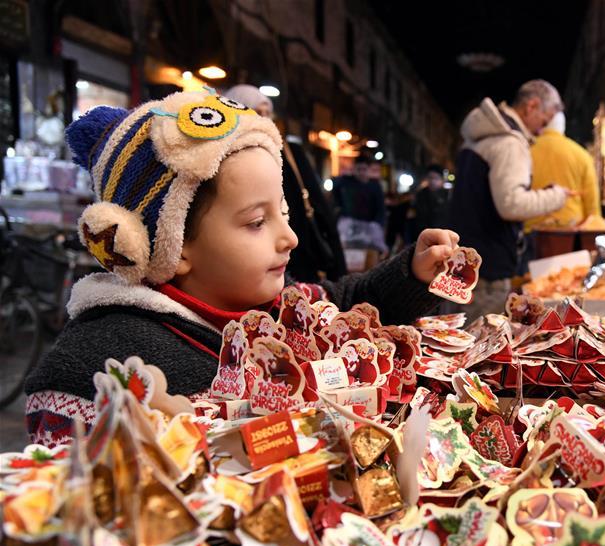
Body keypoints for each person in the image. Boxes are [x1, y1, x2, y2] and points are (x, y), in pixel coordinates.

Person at [24, 90, 457, 446]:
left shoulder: (270, 307)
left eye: (284, 212)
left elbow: (344, 303)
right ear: (169, 246)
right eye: (256, 222)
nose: (290, 238)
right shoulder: (95, 365)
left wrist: (413, 272)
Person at [449, 79, 571, 318]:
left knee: (461, 331)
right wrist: (556, 196)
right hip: (488, 266)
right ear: (532, 106)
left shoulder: (482, 138)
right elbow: (511, 205)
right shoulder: (509, 142)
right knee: (479, 340)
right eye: (544, 121)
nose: (541, 130)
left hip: (466, 260)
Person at [224, 84, 346, 282]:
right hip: (255, 267)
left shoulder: (291, 152)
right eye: (256, 111)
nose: (264, 118)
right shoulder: (227, 160)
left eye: (267, 112)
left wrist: (340, 272)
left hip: (302, 257)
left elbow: (321, 208)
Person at [527, 111, 603, 232]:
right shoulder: (581, 154)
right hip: (571, 234)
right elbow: (593, 211)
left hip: (531, 232)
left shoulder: (526, 150)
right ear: (562, 126)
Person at [333, 153, 388, 253]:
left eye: (364, 169)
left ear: (369, 170)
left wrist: (378, 224)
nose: (361, 172)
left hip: (370, 226)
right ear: (354, 169)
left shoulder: (375, 185)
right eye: (359, 169)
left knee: (371, 255)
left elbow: (381, 208)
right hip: (349, 225)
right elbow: (335, 193)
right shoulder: (345, 182)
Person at [411, 164, 450, 239]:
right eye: (430, 178)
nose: (432, 181)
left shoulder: (448, 195)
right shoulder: (421, 195)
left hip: (444, 236)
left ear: (441, 180)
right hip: (423, 236)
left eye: (436, 178)